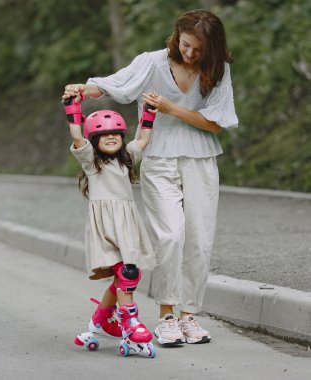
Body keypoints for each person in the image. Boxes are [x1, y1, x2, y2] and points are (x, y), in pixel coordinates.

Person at [62, 9, 238, 346]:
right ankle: (167, 316)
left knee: (199, 239)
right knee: (171, 235)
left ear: (212, 48)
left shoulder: (218, 70)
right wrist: (83, 89)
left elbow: (215, 123)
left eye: (198, 50)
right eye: (186, 45)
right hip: (158, 157)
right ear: (177, 37)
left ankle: (189, 315)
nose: (189, 54)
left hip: (201, 159)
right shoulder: (153, 62)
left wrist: (171, 109)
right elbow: (118, 85)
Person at [64, 95, 157, 357]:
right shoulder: (91, 161)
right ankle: (131, 324)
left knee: (123, 276)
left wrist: (149, 114)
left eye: (116, 134)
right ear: (95, 140)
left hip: (126, 226)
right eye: (105, 135)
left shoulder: (127, 158)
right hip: (105, 228)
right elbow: (77, 138)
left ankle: (100, 321)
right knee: (127, 274)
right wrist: (73, 109)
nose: (112, 138)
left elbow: (143, 139)